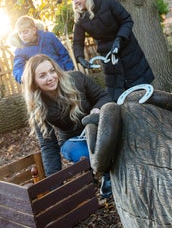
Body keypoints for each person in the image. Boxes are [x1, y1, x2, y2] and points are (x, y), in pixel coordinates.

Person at [21, 54, 113, 198]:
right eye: (43, 75)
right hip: (74, 140)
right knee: (81, 152)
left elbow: (104, 97)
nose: (51, 77)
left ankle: (111, 172)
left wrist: (96, 109)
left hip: (98, 128)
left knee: (111, 142)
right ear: (34, 82)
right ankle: (104, 171)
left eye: (52, 71)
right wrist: (55, 187)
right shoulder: (38, 107)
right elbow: (48, 146)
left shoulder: (76, 79)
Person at [68, 0, 154, 100]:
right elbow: (77, 42)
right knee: (117, 95)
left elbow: (127, 20)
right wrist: (80, 58)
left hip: (128, 51)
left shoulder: (108, 3)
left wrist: (119, 39)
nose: (75, 2)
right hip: (109, 58)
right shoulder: (80, 19)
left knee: (141, 90)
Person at [10, 15, 74, 84]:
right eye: (20, 33)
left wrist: (68, 70)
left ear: (34, 30)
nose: (22, 36)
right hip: (43, 81)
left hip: (60, 73)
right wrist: (23, 77)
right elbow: (17, 67)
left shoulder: (49, 37)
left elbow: (63, 53)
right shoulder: (21, 49)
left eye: (25, 32)